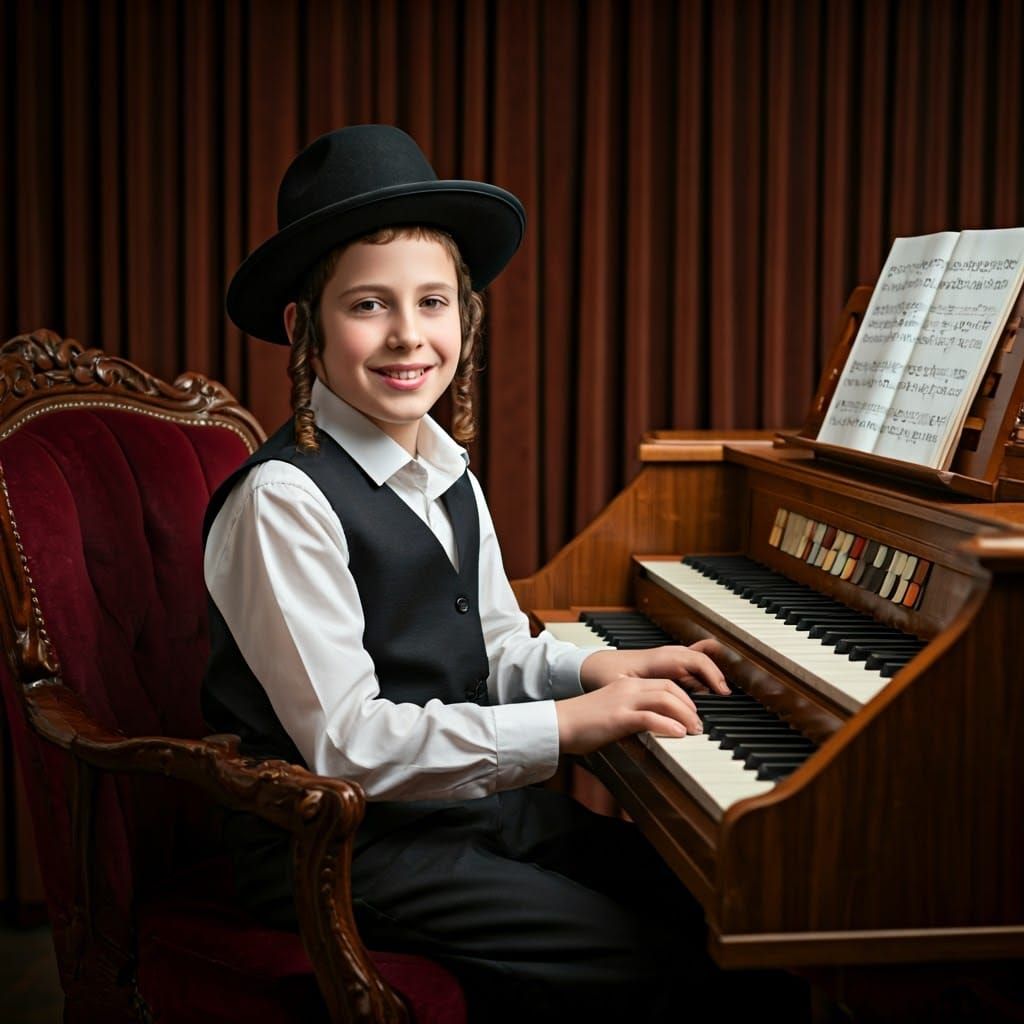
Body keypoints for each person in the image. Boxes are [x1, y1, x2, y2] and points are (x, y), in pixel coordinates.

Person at [200, 124, 781, 1022]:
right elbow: (348, 746)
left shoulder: (446, 466)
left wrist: (596, 670)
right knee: (659, 967)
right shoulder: (285, 499)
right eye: (368, 305)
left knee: (729, 900)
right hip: (343, 849)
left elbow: (497, 643)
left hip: (457, 814)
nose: (408, 337)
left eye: (433, 303)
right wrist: (570, 724)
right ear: (303, 325)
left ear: (464, 318)